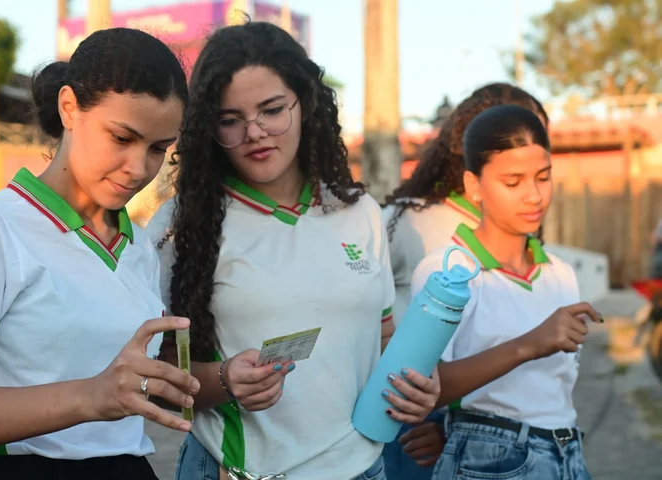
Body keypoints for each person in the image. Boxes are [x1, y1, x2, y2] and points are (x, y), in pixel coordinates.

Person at [147, 21, 440, 480]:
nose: (255, 132)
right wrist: (224, 380)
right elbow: (159, 378)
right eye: (230, 119)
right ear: (208, 127)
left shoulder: (359, 211)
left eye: (272, 110)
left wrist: (420, 381)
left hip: (363, 469)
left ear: (306, 104)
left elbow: (382, 338)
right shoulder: (179, 225)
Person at [0, 28, 198, 480]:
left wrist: (225, 378)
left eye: (159, 149)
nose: (139, 168)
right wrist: (91, 397)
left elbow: (133, 385)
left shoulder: (138, 247)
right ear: (69, 108)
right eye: (122, 138)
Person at [415, 104, 600, 479]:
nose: (533, 196)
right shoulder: (447, 271)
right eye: (513, 182)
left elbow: (551, 393)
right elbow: (425, 388)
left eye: (543, 177)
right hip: (495, 461)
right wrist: (529, 344)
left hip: (569, 454)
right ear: (473, 185)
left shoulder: (560, 273)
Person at [380, 83, 550, 477]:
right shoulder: (407, 220)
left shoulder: (522, 223)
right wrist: (429, 420)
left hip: (496, 432)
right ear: (465, 141)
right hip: (415, 425)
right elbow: (368, 317)